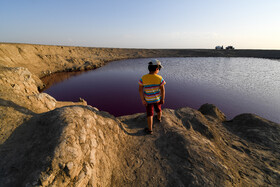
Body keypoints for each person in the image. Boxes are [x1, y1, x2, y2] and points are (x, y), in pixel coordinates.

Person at [138, 59, 166, 134]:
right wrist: (162, 99)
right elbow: (163, 90)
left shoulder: (143, 78)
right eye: (159, 69)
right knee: (159, 110)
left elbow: (140, 90)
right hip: (157, 99)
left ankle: (150, 130)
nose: (159, 70)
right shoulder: (160, 78)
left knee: (150, 114)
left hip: (148, 100)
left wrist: (143, 100)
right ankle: (159, 118)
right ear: (157, 69)